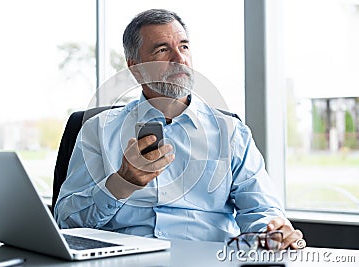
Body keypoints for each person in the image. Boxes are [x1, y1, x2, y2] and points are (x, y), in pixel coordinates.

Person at [54, 9, 305, 249]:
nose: (180, 59)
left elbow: (262, 210)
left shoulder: (231, 133)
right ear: (136, 68)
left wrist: (272, 231)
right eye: (163, 50)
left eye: (184, 46)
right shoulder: (98, 130)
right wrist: (121, 184)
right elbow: (66, 221)